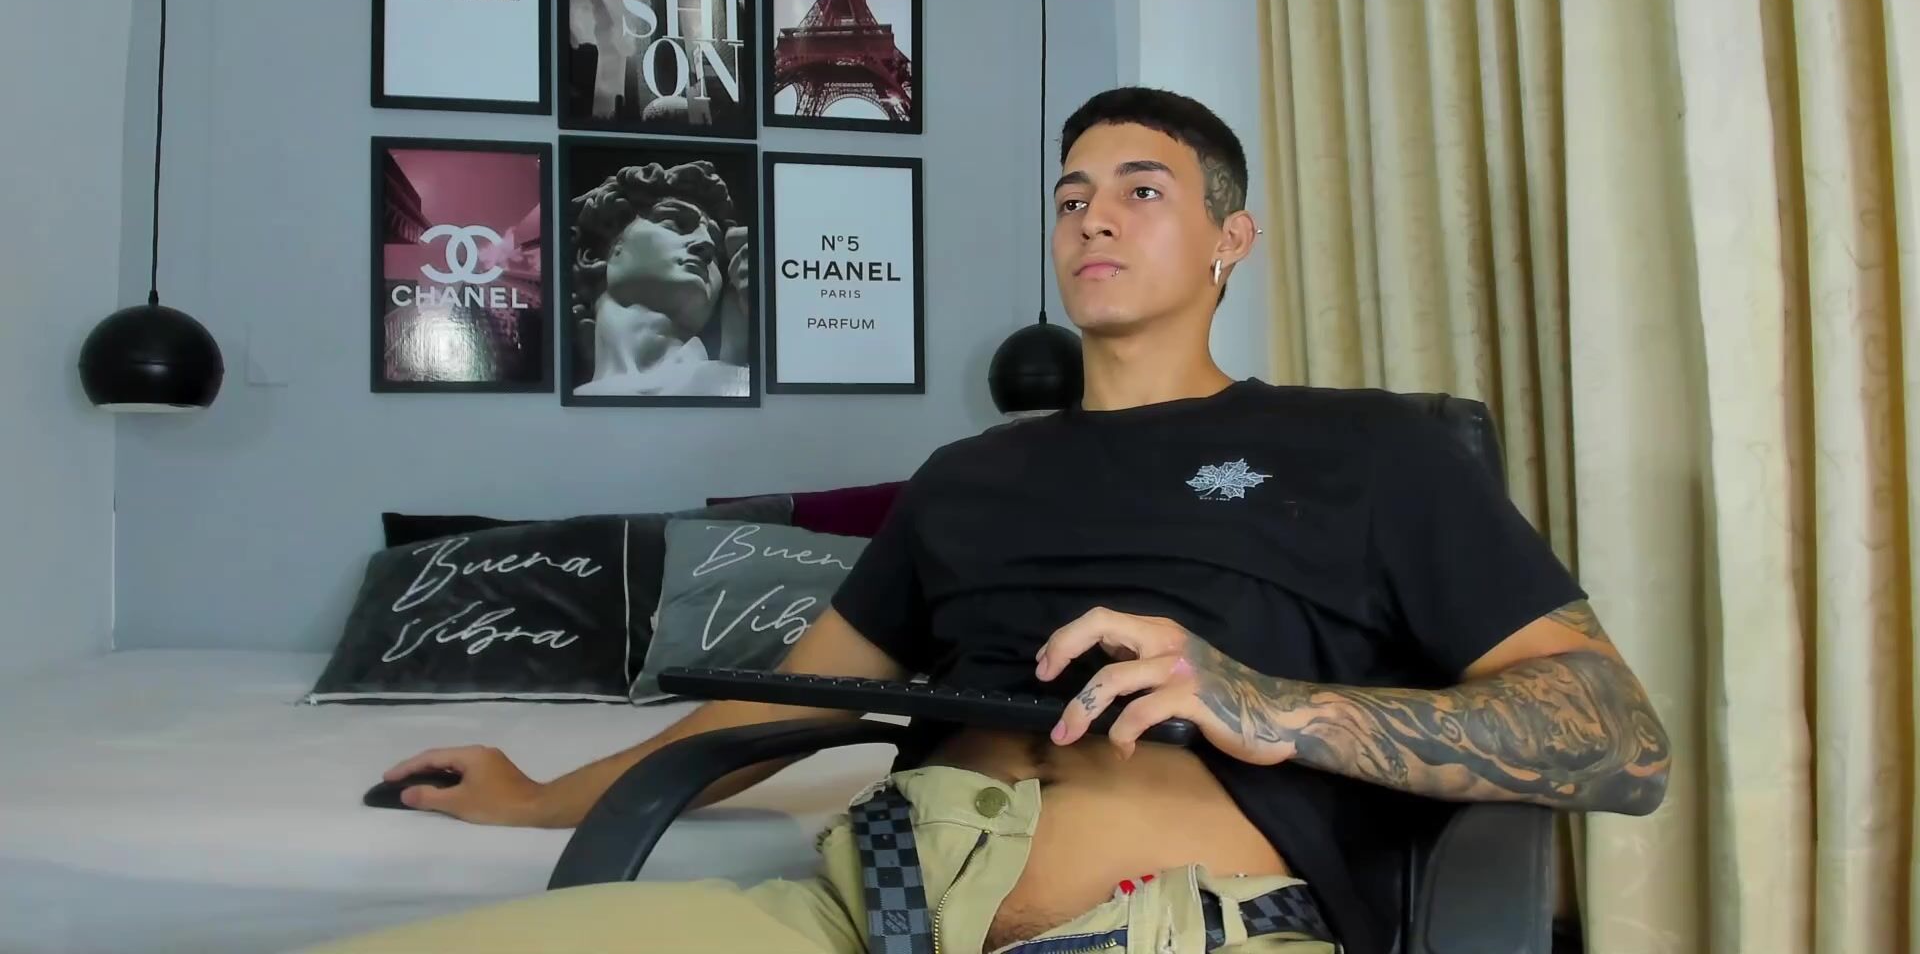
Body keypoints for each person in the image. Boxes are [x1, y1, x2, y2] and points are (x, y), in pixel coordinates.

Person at [314, 87, 1670, 954]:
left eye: (1141, 189)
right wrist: (539, 797)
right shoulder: (967, 477)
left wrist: (1268, 705)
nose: (1092, 217)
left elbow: (1619, 735)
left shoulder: (1370, 449)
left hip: (1167, 931)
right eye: (1071, 197)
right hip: (861, 914)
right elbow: (772, 709)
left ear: (1230, 241)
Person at [568, 159, 752, 397]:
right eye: (676, 223)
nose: (706, 244)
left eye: (717, 249)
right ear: (593, 256)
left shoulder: (742, 386)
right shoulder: (559, 407)